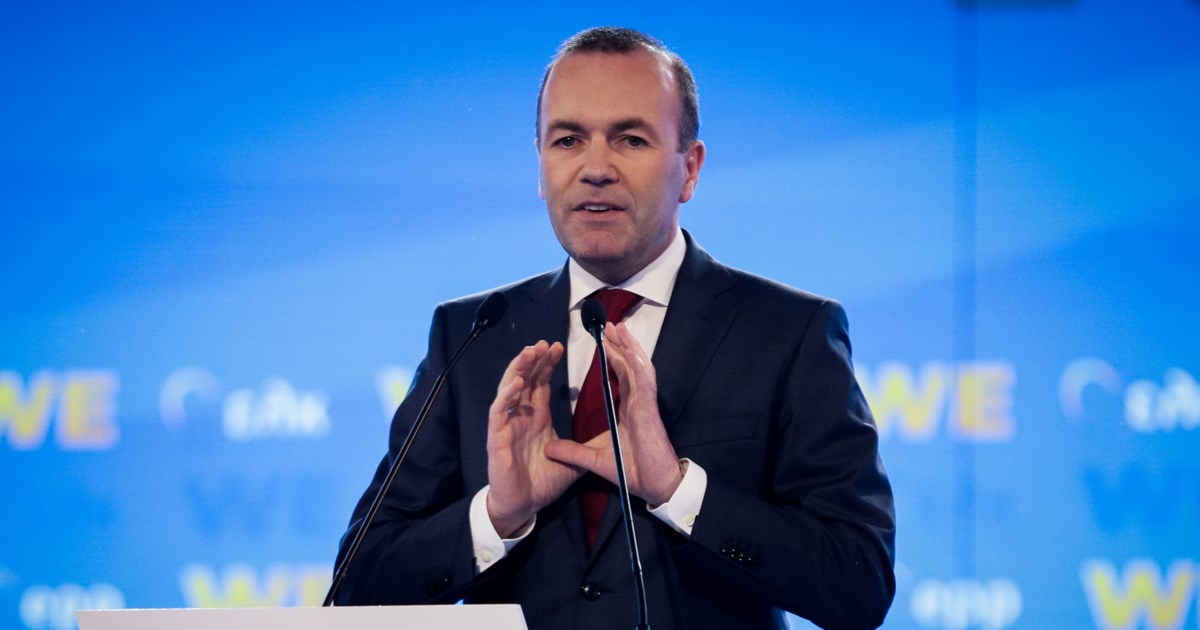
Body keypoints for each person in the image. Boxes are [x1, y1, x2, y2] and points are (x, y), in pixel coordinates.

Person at [334, 27, 895, 630]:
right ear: (541, 165)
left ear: (690, 169)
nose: (595, 168)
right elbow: (359, 585)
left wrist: (676, 490)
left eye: (631, 139)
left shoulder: (789, 332)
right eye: (568, 140)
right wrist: (497, 515)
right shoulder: (473, 334)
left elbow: (858, 584)